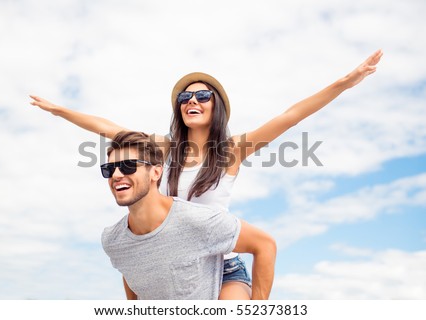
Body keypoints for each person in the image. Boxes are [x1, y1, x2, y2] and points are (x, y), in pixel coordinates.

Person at [29, 49, 383, 299]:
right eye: (184, 96)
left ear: (216, 106)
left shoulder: (230, 151)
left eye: (202, 95)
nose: (191, 101)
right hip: (173, 266)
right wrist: (60, 111)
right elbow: (111, 127)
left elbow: (291, 115)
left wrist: (346, 81)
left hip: (223, 266)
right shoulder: (164, 150)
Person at [101, 130, 276, 300]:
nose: (116, 175)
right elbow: (130, 272)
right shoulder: (113, 241)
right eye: (109, 169)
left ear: (156, 172)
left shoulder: (197, 221)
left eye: (128, 166)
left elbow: (265, 244)